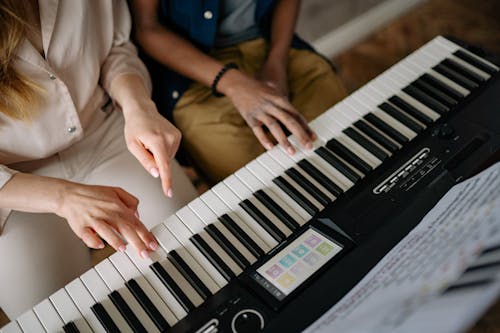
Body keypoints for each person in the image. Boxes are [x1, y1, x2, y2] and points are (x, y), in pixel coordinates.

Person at [0, 0, 198, 319]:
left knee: (190, 252)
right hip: (13, 182)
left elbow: (115, 49)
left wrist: (138, 107)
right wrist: (63, 197)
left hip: (103, 131)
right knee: (53, 315)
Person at [131, 0, 348, 184]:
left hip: (271, 43)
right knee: (250, 174)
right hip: (193, 68)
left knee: (337, 138)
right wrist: (236, 86)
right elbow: (147, 27)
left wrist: (277, 61)